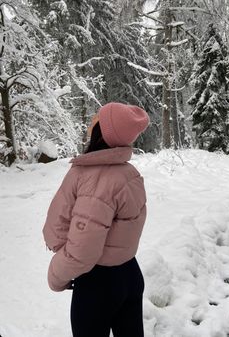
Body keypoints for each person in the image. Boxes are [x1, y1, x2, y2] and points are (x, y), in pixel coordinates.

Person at [42, 102, 150, 337]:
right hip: (129, 274)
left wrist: (55, 276)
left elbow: (83, 250)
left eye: (97, 117)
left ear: (104, 130)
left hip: (98, 283)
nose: (91, 119)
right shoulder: (127, 173)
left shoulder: (96, 179)